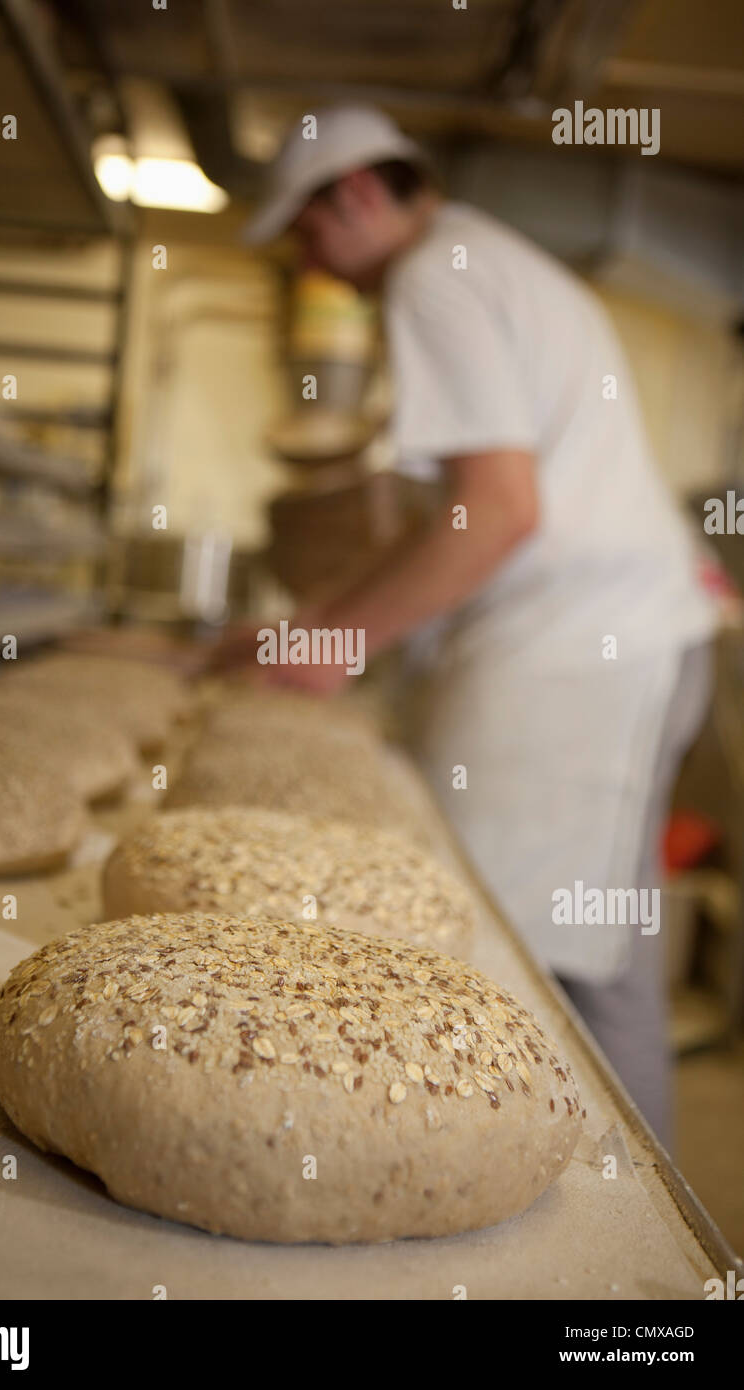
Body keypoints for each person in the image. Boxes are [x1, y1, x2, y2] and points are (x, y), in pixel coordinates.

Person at [214, 104, 718, 1149]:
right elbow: (451, 520)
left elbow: (494, 511)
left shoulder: (435, 276)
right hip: (603, 646)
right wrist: (312, 626)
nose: (315, 267)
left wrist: (332, 644)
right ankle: (634, 1233)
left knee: (519, 950)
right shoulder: (479, 261)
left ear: (356, 193)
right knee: (589, 953)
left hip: (580, 655)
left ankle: (566, 1228)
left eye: (307, 234)